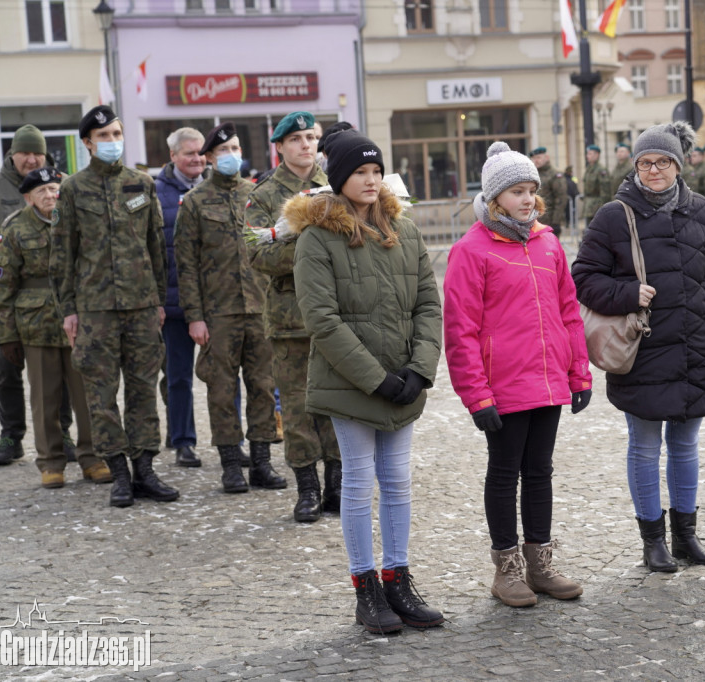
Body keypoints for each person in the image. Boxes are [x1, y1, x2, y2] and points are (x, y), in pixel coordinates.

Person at [573, 122, 705, 573]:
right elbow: (584, 278)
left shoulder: (701, 210)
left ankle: (686, 537)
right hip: (644, 349)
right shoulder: (614, 214)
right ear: (635, 166)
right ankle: (653, 540)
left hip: (694, 347)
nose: (654, 170)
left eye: (663, 162)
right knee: (645, 444)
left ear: (678, 165)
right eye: (646, 162)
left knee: (686, 443)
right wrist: (628, 294)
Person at [290, 129, 444, 633]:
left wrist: (419, 370)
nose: (372, 180)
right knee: (358, 484)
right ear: (339, 179)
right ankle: (366, 591)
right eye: (361, 172)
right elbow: (323, 321)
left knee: (397, 483)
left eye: (377, 172)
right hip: (353, 384)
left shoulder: (405, 230)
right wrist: (376, 380)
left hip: (403, 379)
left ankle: (397, 580)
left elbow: (427, 302)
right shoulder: (317, 239)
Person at [443, 141, 590, 608]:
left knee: (540, 471)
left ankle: (540, 564)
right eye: (517, 192)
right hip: (503, 386)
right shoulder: (471, 250)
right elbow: (460, 329)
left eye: (531, 190)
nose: (527, 199)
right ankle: (506, 569)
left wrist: (579, 374)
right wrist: (476, 395)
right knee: (505, 474)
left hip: (548, 381)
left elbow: (569, 311)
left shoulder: (548, 243)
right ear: (493, 198)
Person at [49, 105, 178, 508]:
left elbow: (156, 246)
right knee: (101, 395)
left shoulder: (141, 183)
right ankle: (118, 472)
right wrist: (68, 310)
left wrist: (158, 299)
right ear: (87, 143)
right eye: (103, 137)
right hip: (94, 310)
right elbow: (61, 254)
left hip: (141, 307)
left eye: (116, 135)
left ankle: (144, 470)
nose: (111, 142)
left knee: (142, 389)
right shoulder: (72, 189)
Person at [246, 111, 344, 520]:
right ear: (281, 146)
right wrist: (312, 250)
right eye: (297, 139)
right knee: (299, 406)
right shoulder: (265, 196)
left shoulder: (337, 185)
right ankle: (307, 488)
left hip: (338, 314)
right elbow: (257, 252)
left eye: (311, 137)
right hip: (291, 318)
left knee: (339, 403)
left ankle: (338, 486)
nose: (306, 145)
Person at [176, 122, 281, 494]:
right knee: (221, 391)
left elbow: (270, 249)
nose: (231, 156)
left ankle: (262, 462)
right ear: (208, 158)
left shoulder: (257, 195)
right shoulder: (194, 203)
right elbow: (185, 266)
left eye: (235, 148)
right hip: (217, 314)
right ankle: (231, 465)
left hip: (259, 309)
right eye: (223, 151)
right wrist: (195, 317)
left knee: (263, 387)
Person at [0, 168, 108, 488]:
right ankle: (51, 462)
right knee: (45, 398)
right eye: (41, 191)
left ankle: (93, 457)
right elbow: (1, 286)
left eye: (55, 188)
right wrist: (5, 335)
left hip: (81, 323)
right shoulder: (15, 227)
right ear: (27, 197)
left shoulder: (78, 221)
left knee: (88, 396)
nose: (50, 195)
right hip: (36, 325)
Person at [0, 124, 74, 465]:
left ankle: (62, 432)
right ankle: (12, 435)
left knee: (61, 368)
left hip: (56, 297)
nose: (31, 158)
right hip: (10, 292)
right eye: (24, 152)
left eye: (36, 152)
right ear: (12, 154)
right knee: (7, 367)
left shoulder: (64, 183)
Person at [155, 127, 205, 467]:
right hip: (173, 302)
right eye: (189, 153)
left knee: (224, 375)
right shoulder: (155, 192)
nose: (197, 159)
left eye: (201, 152)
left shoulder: (217, 188)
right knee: (178, 377)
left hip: (216, 301)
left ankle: (234, 441)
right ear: (173, 156)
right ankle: (182, 440)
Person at [529, 147, 567, 238]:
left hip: (549, 221)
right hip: (534, 220)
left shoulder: (555, 175)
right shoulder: (532, 174)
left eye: (538, 157)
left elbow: (561, 199)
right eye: (534, 158)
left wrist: (556, 221)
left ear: (546, 158)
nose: (536, 161)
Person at [581, 144, 611, 227]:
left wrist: (603, 208)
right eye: (587, 154)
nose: (588, 156)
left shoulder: (601, 170)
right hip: (589, 206)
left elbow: (605, 191)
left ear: (597, 155)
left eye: (590, 154)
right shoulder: (588, 169)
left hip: (597, 206)